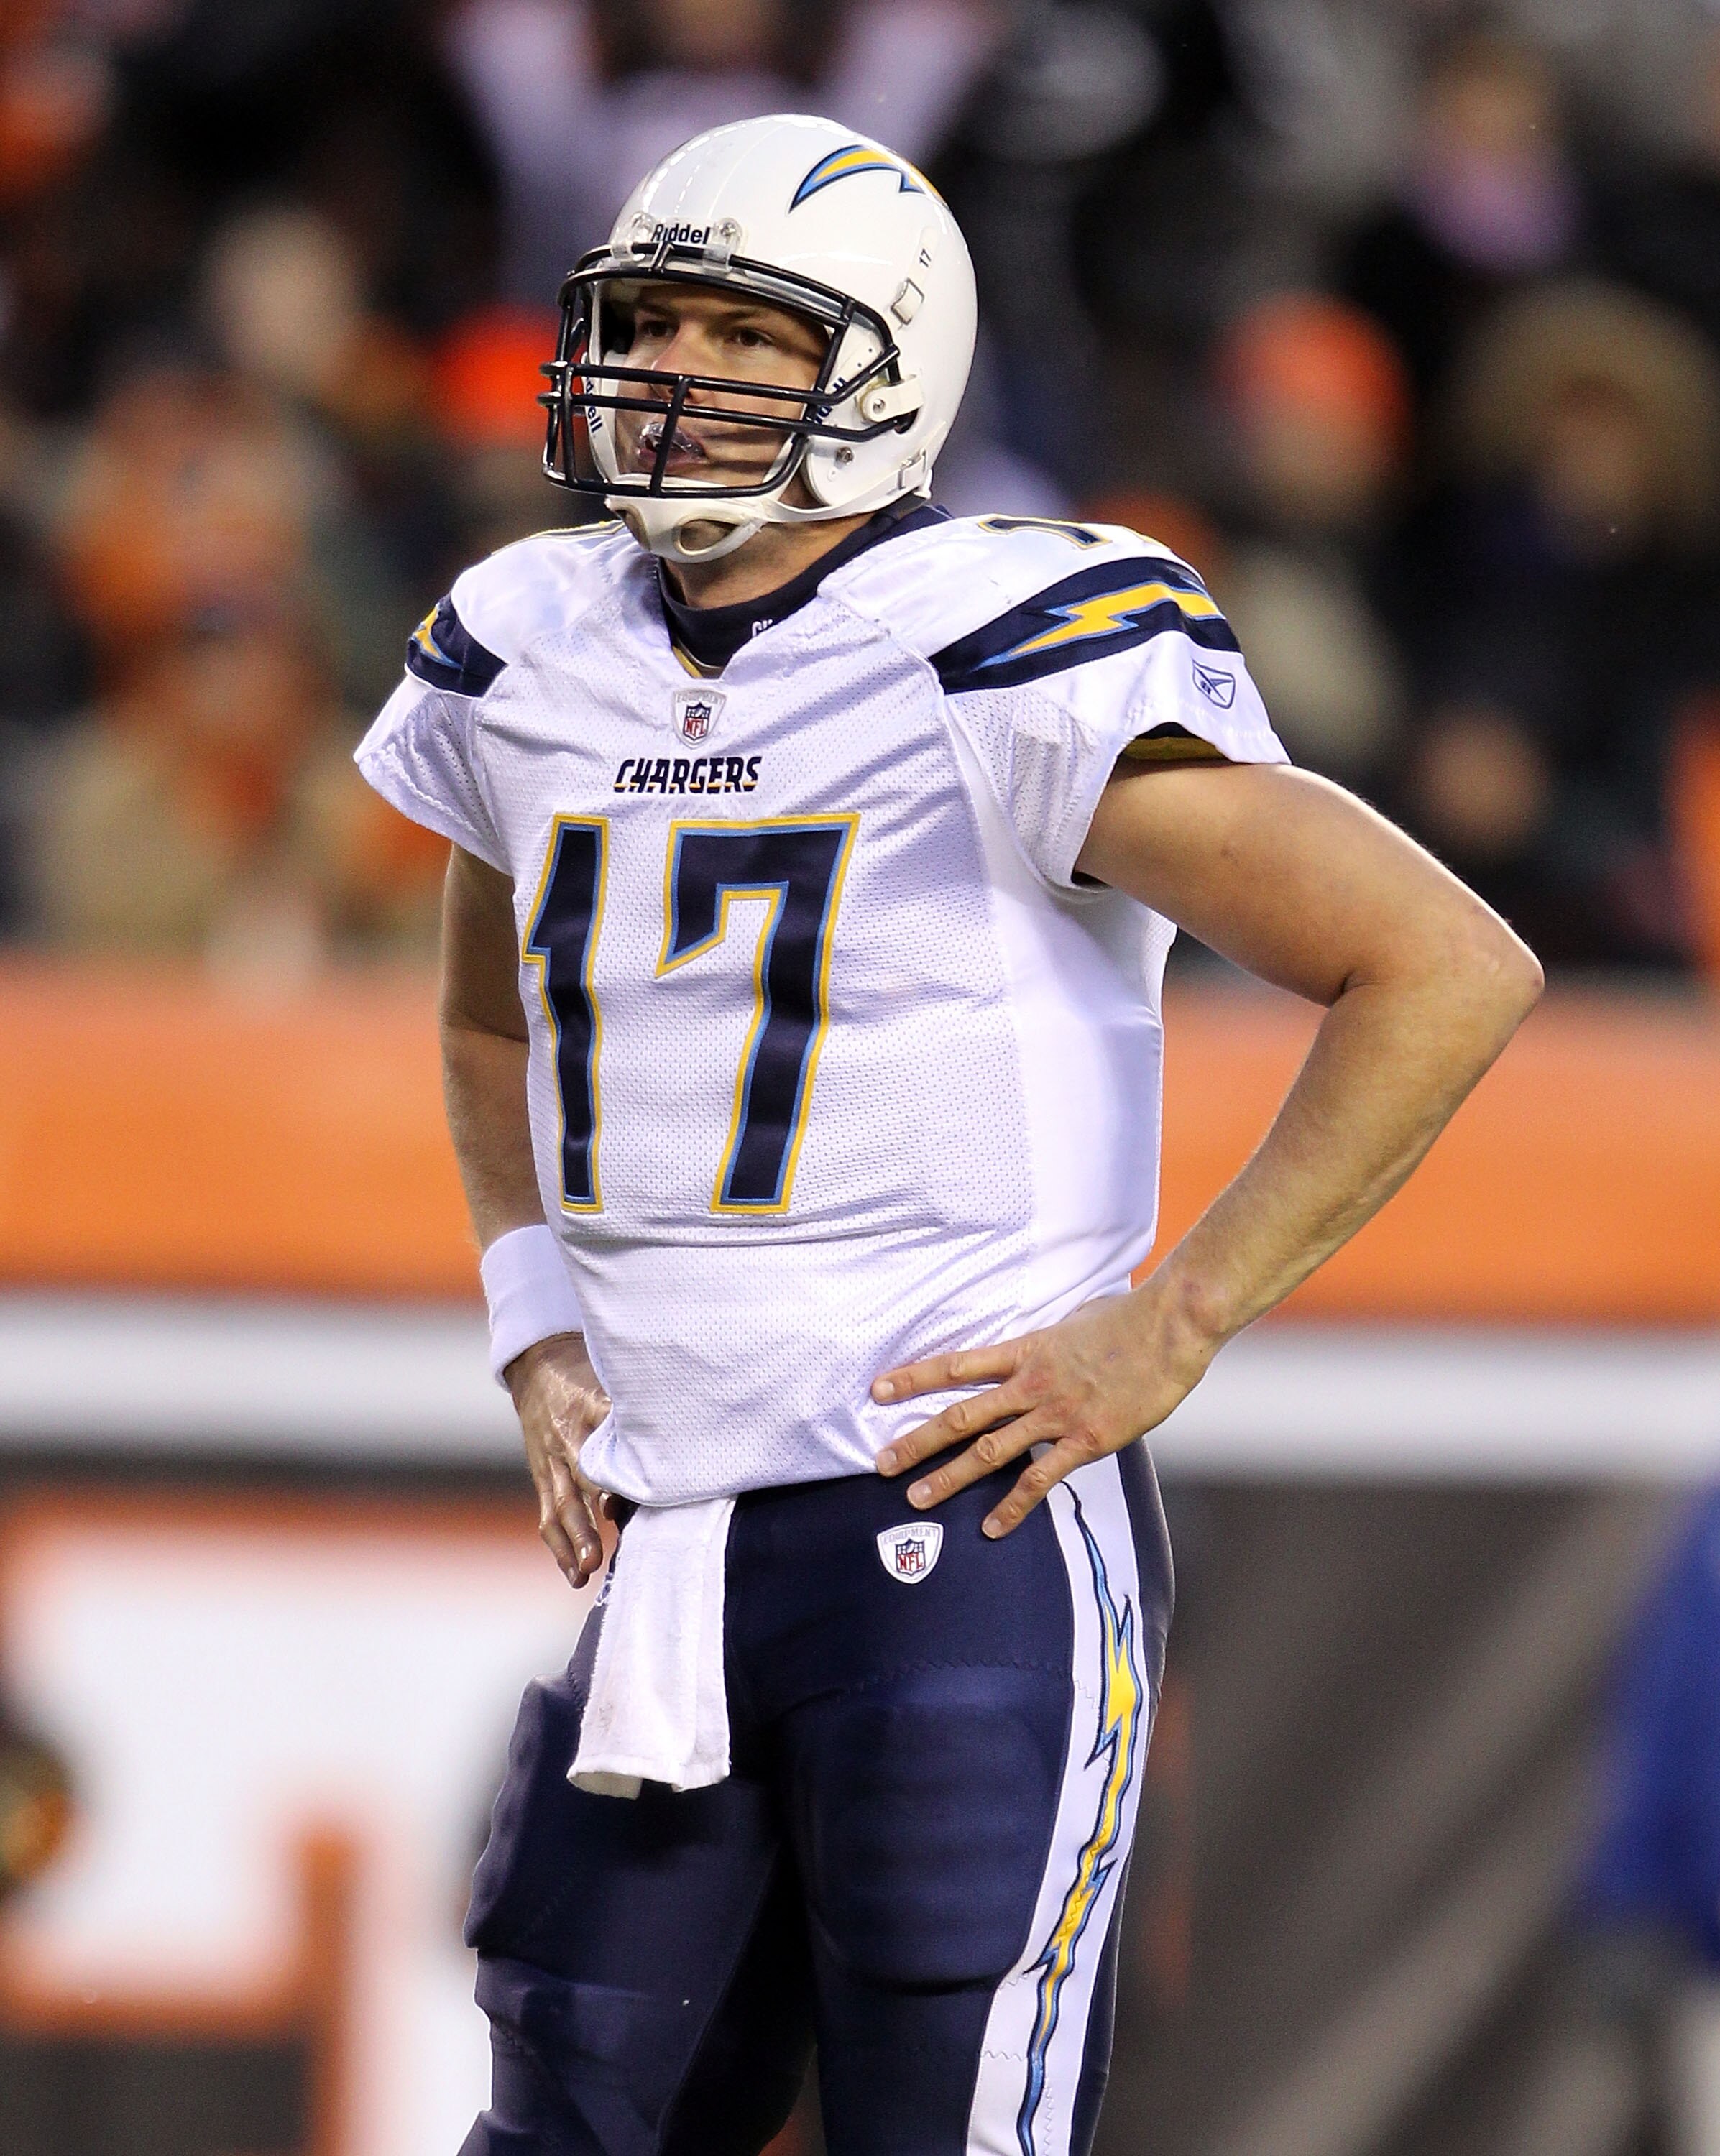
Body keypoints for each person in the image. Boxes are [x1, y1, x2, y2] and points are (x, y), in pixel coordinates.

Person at [354, 113, 1542, 2156]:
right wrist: (533, 1317)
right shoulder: (528, 645)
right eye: (650, 321)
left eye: (743, 333)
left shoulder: (991, 644)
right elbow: (489, 1011)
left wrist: (1169, 1323)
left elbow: (1437, 963)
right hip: (673, 1540)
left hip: (953, 1527)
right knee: (564, 2107)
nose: (674, 373)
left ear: (879, 367)